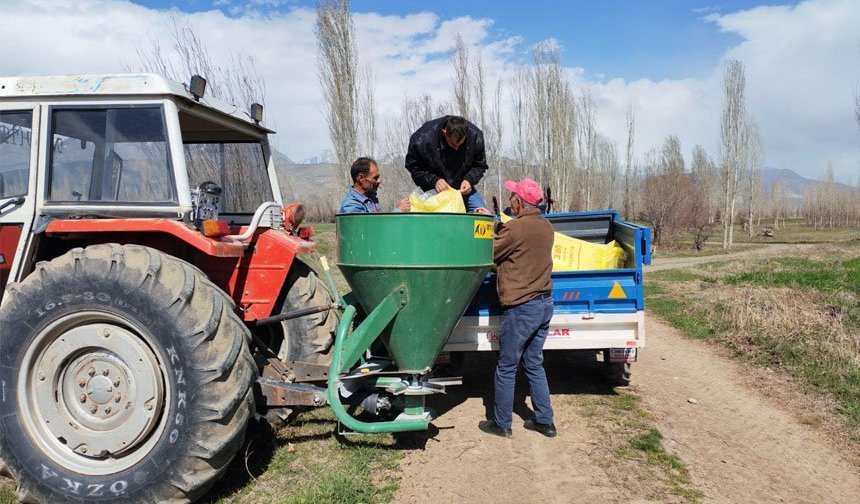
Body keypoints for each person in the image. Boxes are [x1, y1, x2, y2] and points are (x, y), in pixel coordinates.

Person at [478, 177, 557, 438]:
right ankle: (545, 421)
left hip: (522, 308)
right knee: (534, 363)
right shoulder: (546, 226)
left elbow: (489, 251)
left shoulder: (515, 229)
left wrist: (485, 226)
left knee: (507, 366)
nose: (510, 200)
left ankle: (501, 424)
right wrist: (497, 222)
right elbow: (516, 239)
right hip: (544, 304)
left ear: (518, 202)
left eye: (513, 197)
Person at [404, 115, 490, 213]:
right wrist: (434, 180)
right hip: (433, 190)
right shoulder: (421, 139)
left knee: (483, 215)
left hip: (462, 189)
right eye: (453, 144)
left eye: (460, 145)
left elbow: (479, 166)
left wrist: (469, 180)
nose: (457, 148)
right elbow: (414, 167)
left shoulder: (475, 137)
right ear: (444, 133)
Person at [338, 157, 409, 213]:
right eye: (375, 178)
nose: (379, 181)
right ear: (361, 178)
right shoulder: (351, 206)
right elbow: (369, 229)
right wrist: (397, 212)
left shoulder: (370, 199)